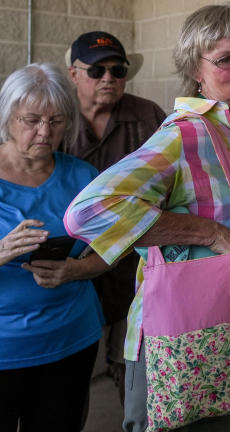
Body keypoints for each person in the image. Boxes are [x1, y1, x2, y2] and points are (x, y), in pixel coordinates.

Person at [66, 4, 230, 432]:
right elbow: (86, 213)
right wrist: (211, 233)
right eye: (226, 59)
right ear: (196, 71)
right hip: (183, 347)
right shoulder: (183, 137)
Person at [0, 63, 107, 431]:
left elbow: (115, 248)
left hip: (70, 339)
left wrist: (77, 270)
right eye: (31, 120)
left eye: (57, 121)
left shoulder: (83, 176)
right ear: (8, 117)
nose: (45, 132)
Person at [64, 30, 168, 404]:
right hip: (70, 267)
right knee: (69, 372)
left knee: (135, 367)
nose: (108, 78)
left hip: (133, 265)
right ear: (74, 74)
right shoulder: (56, 118)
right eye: (97, 71)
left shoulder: (147, 115)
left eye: (117, 70)